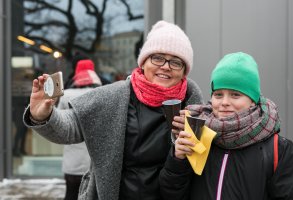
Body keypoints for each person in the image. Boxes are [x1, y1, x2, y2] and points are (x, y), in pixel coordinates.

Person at [23, 20, 204, 200]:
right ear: (143, 62)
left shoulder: (193, 105)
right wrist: (43, 115)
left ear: (184, 70)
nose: (165, 66)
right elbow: (69, 128)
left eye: (176, 62)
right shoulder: (113, 97)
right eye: (157, 58)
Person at [159, 52, 293, 200]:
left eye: (235, 95)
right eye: (218, 94)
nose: (224, 102)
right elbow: (171, 194)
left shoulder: (279, 149)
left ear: (253, 100)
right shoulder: (196, 134)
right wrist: (177, 160)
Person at [57, 59, 102, 200]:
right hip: (94, 159)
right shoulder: (101, 94)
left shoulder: (66, 95)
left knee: (70, 193)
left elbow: (58, 122)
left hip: (72, 157)